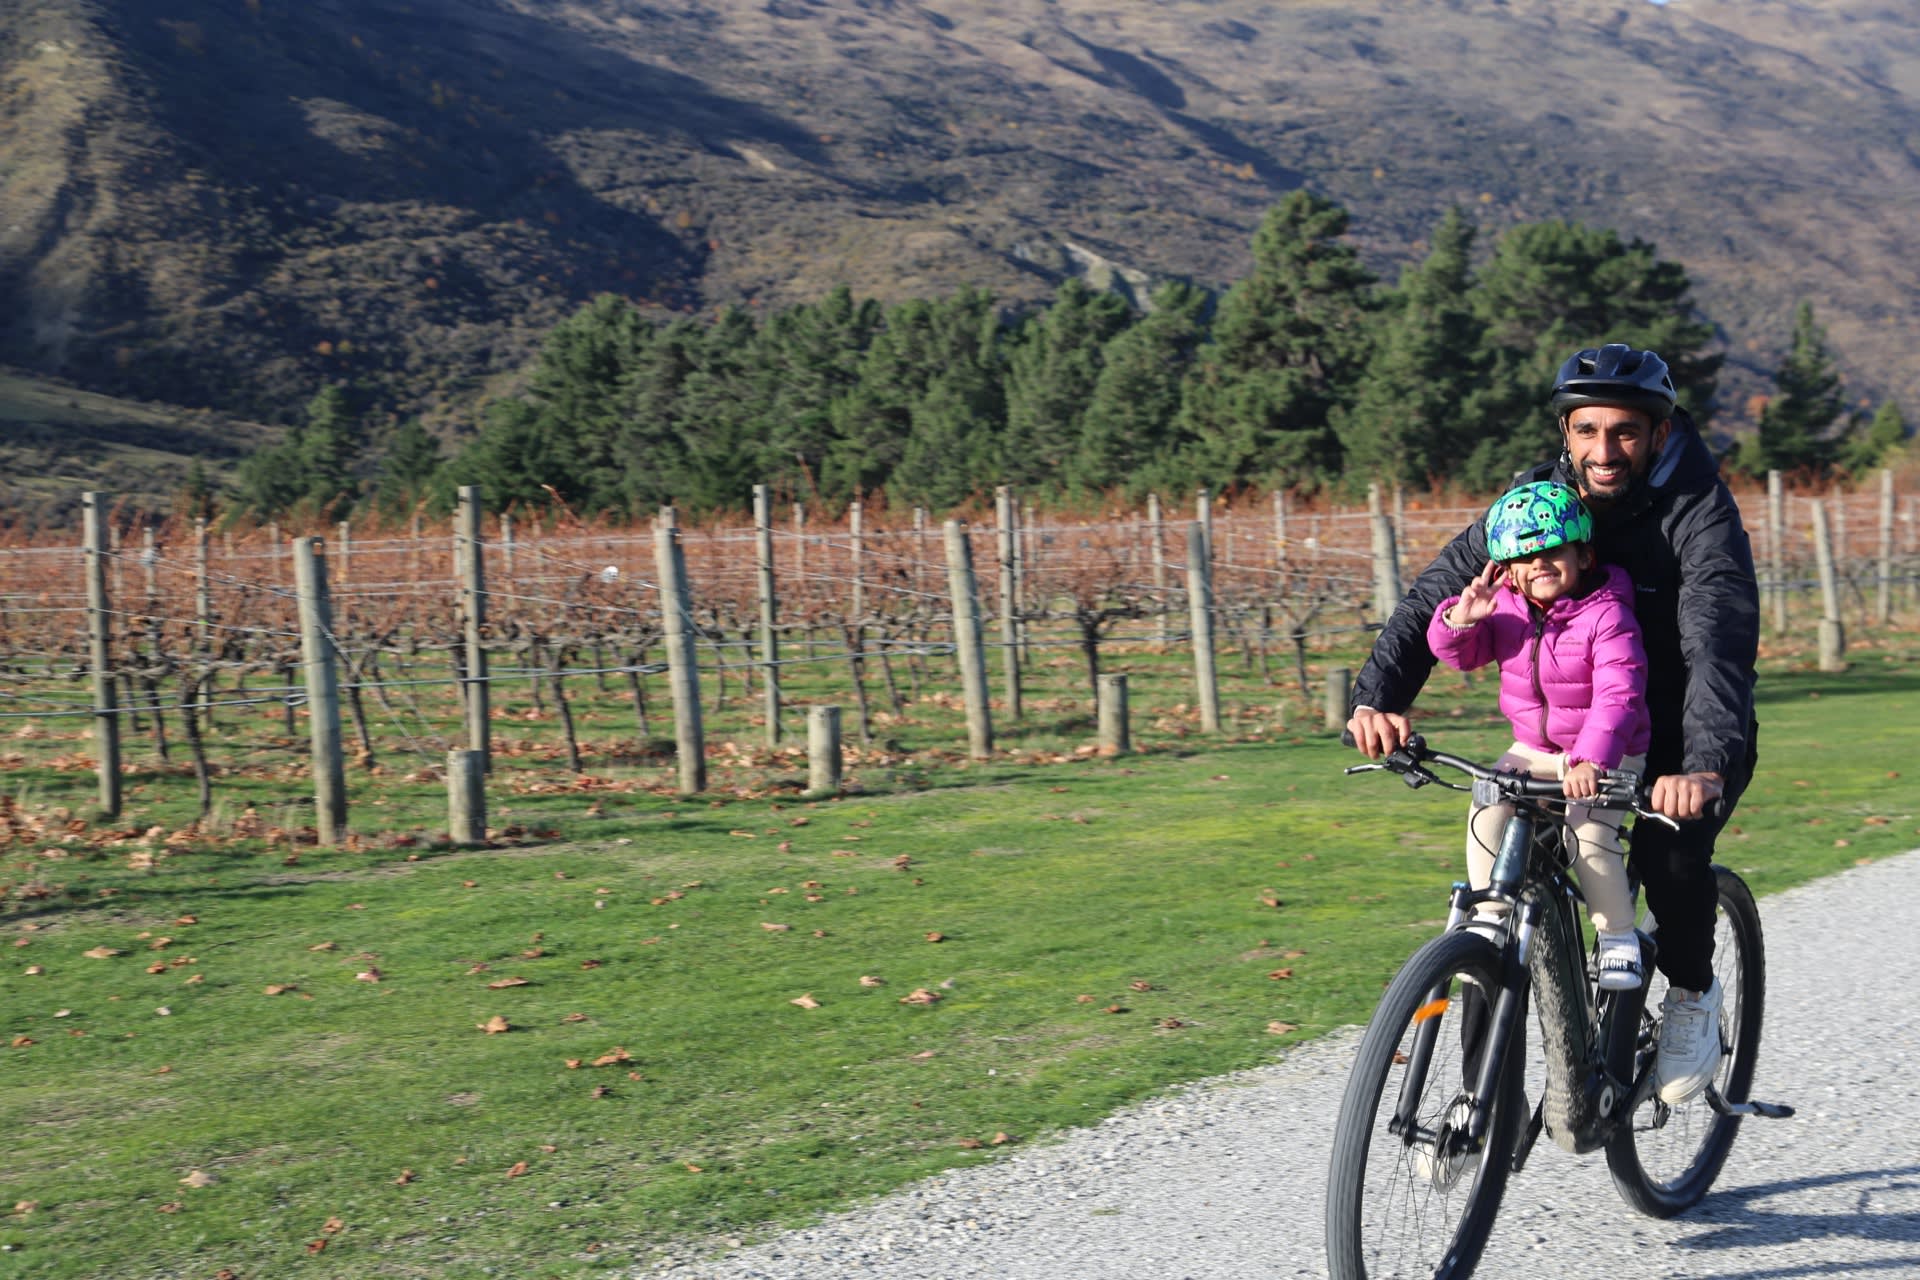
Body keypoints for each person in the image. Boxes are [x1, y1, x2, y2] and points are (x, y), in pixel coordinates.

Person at [1348, 344, 1760, 1105]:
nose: (1605, 451)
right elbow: (1437, 597)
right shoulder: (1535, 505)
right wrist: (1378, 698)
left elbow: (1717, 647)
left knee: (1671, 862)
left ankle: (1694, 997)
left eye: (1626, 432)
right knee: (1494, 903)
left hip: (1672, 731)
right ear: (1565, 433)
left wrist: (1702, 764)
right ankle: (1481, 1101)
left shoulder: (1700, 514)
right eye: (1588, 431)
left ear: (1659, 435)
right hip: (1553, 741)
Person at [1428, 480, 1652, 990]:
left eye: (1553, 551)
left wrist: (1593, 759)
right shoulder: (1504, 606)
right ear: (1506, 568)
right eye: (1523, 559)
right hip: (1534, 750)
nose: (1539, 565)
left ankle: (1618, 936)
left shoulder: (1607, 614)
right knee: (1488, 799)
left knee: (1588, 830)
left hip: (1609, 752)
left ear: (1583, 554)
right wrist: (1462, 618)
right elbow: (1460, 655)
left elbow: (1619, 696)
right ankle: (1490, 914)